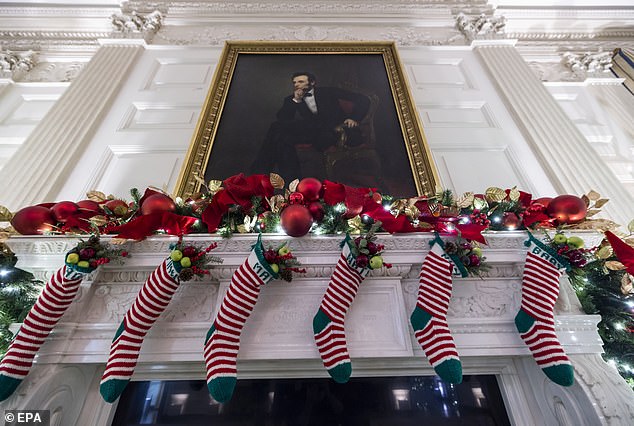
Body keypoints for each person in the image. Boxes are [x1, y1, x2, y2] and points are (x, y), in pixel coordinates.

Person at [250, 71, 371, 180]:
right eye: (295, 82)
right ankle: (290, 180)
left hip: (333, 131)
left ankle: (262, 173)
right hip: (313, 131)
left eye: (301, 81)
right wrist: (296, 100)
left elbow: (364, 99)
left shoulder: (329, 91)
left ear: (312, 82)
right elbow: (283, 119)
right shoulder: (292, 98)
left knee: (279, 134)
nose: (297, 84)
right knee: (279, 132)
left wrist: (354, 118)